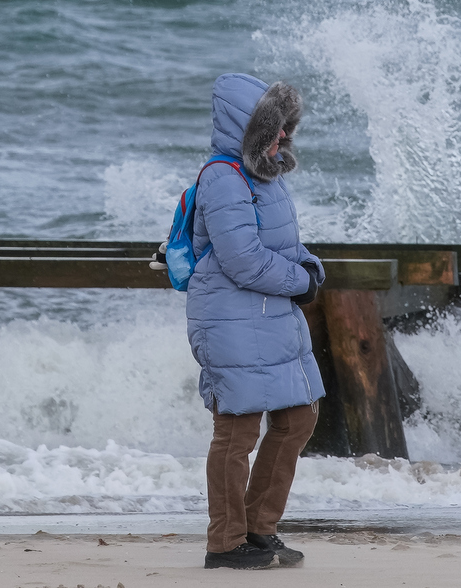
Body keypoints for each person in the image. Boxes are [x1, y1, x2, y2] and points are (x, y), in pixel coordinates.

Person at [186, 73, 326, 570]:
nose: (284, 136)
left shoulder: (265, 173)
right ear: (246, 126)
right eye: (274, 126)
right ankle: (224, 544)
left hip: (268, 316)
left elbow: (286, 246)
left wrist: (311, 268)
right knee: (237, 430)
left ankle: (257, 528)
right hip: (230, 319)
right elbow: (241, 259)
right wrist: (301, 282)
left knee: (298, 417)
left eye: (286, 126)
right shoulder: (222, 177)